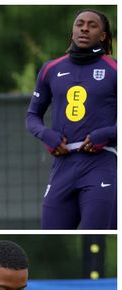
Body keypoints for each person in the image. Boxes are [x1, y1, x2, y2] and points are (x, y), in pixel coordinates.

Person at [26, 9, 116, 229]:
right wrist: (47, 135)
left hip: (101, 164)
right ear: (73, 30)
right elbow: (32, 116)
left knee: (94, 236)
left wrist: (105, 134)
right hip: (62, 166)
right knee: (50, 232)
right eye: (79, 24)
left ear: (103, 36)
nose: (84, 28)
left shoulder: (115, 69)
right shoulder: (51, 69)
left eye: (92, 25)